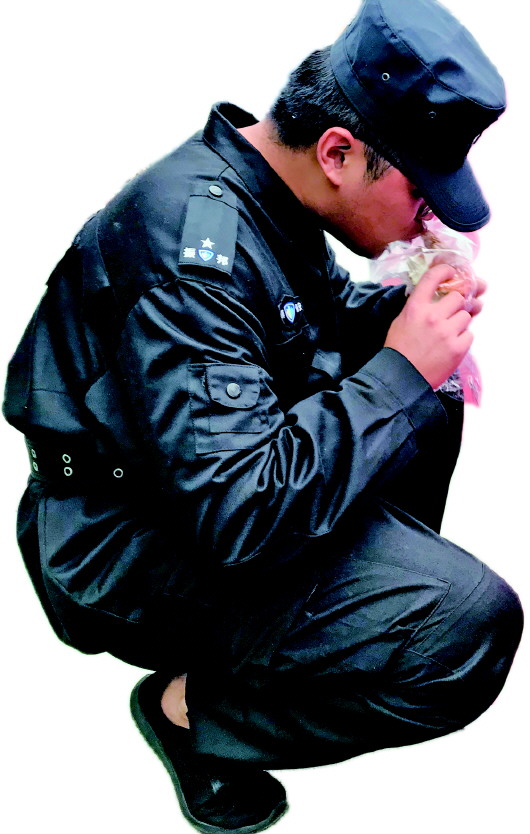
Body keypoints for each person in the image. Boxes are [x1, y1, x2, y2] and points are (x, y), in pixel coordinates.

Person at [3, 1, 523, 832]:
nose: (430, 216)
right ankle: (191, 712)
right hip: (118, 536)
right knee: (465, 631)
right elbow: (240, 510)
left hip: (189, 490)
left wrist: (405, 321)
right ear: (339, 152)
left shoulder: (271, 191)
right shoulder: (191, 252)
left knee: (432, 395)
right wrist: (399, 367)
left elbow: (298, 325)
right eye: (421, 190)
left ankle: (332, 623)